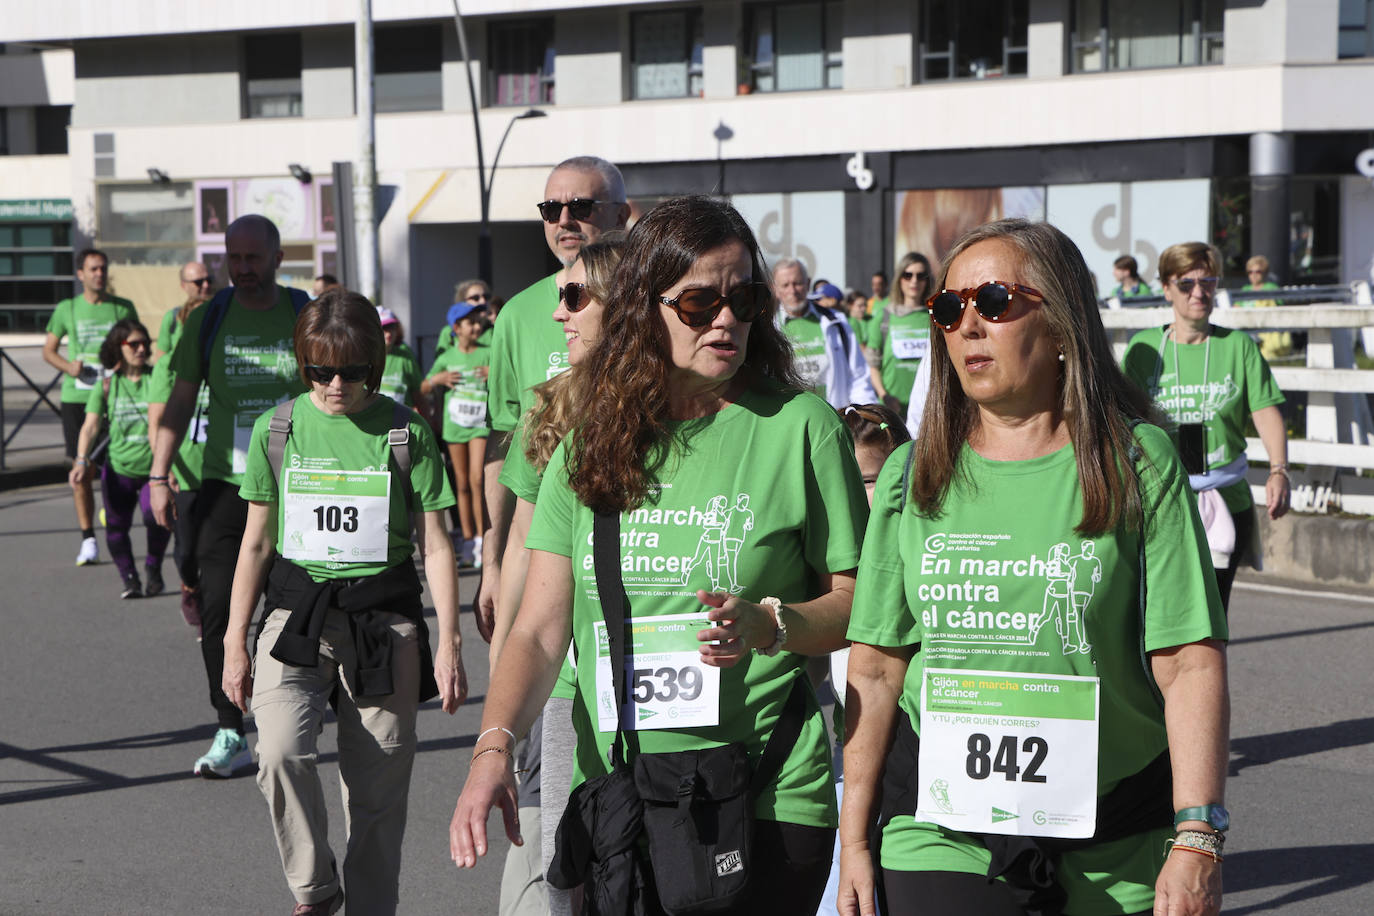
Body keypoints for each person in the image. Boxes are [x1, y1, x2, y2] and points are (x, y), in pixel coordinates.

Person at [449, 195, 870, 915]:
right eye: (700, 302)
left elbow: (858, 607)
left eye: (744, 298)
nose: (727, 319)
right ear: (645, 308)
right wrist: (493, 748)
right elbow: (540, 628)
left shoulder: (801, 429)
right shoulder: (589, 444)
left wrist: (772, 625)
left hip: (766, 793)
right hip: (623, 796)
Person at [840, 219, 1229, 916]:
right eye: (948, 308)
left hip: (1112, 834)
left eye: (992, 301)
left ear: (1059, 322)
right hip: (940, 831)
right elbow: (874, 666)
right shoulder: (910, 471)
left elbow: (1188, 662)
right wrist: (855, 840)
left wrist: (1197, 834)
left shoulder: (1138, 462)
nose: (967, 326)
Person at [223, 289, 467, 916]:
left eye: (352, 370)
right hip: (296, 611)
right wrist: (233, 641)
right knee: (277, 752)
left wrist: (448, 641)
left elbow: (436, 545)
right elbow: (254, 544)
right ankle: (317, 888)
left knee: (378, 795)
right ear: (303, 365)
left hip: (383, 619)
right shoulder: (278, 429)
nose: (335, 384)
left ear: (375, 365)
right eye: (320, 371)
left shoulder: (405, 430)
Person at [489, 233, 626, 916]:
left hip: (658, 693)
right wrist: (502, 651)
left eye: (573, 296)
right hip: (565, 674)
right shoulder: (549, 409)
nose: (557, 311)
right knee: (555, 854)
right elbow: (521, 539)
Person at [151, 214, 310, 779]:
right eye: (232, 258)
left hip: (296, 489)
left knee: (293, 610)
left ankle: (287, 714)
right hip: (224, 488)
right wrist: (158, 473)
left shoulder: (301, 312)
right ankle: (228, 728)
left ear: (276, 257)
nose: (241, 269)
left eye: (252, 258)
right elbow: (180, 397)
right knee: (220, 612)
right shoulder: (212, 316)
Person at [480, 155, 631, 634]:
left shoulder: (654, 303)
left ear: (621, 214)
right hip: (544, 550)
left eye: (581, 206)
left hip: (637, 548)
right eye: (551, 209)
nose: (564, 220)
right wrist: (494, 561)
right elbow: (505, 443)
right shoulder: (518, 314)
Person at [1122, 241, 1290, 611]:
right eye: (1186, 284)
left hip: (1224, 498)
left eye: (1208, 283)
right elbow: (1125, 419)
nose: (1199, 293)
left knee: (1212, 614)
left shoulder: (1238, 347)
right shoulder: (1144, 348)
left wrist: (1279, 470)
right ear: (1166, 289)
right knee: (1158, 612)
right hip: (1161, 499)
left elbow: (1265, 409)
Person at [816, 403, 910, 916]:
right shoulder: (825, 577)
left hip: (911, 801)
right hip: (842, 802)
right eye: (843, 482)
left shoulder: (929, 569)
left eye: (870, 480)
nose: (855, 497)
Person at [42, 248, 139, 566]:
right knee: (81, 470)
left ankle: (109, 509)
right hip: (77, 399)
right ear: (80, 274)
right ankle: (88, 539)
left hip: (113, 397)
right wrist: (68, 367)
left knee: (115, 468)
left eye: (103, 268)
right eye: (93, 269)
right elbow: (49, 351)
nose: (99, 274)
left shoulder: (122, 307)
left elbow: (135, 346)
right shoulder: (67, 308)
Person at [68, 319, 170, 600]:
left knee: (156, 517)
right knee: (116, 527)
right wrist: (80, 460)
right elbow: (89, 426)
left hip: (153, 469)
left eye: (144, 343)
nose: (140, 349)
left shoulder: (157, 378)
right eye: (133, 344)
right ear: (118, 347)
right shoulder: (107, 385)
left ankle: (153, 567)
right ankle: (130, 578)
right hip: (119, 468)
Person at [148, 261, 214, 627]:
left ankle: (219, 613)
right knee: (187, 549)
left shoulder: (222, 363)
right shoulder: (167, 368)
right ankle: (189, 585)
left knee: (224, 548)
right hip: (183, 470)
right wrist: (164, 470)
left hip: (220, 469)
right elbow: (157, 422)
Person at [422, 302, 490, 567]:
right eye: (469, 323)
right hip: (455, 426)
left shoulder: (488, 353)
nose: (476, 326)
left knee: (477, 480)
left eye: (477, 321)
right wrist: (438, 380)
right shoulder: (447, 357)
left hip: (480, 425)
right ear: (456, 329)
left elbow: (508, 377)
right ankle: (467, 538)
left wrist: (492, 373)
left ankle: (484, 539)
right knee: (461, 484)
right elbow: (424, 386)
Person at [772, 260, 877, 408]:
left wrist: (862, 415)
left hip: (835, 416)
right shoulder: (769, 329)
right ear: (775, 289)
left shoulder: (836, 321)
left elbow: (858, 375)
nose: (793, 291)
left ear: (808, 284)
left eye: (798, 283)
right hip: (792, 420)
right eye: (785, 285)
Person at [867, 252, 934, 416]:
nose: (914, 281)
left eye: (921, 275)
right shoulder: (884, 317)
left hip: (928, 409)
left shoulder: (935, 317)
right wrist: (884, 395)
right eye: (908, 275)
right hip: (893, 410)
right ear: (899, 279)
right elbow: (872, 366)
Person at [153, 262, 214, 362]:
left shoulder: (222, 313)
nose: (206, 285)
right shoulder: (172, 317)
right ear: (183, 285)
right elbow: (160, 359)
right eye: (198, 282)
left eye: (209, 280)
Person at [1240, 254, 1292, 359]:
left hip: (1266, 333)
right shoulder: (1245, 289)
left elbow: (1280, 310)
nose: (1253, 275)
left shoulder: (1272, 288)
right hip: (1247, 330)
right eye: (1250, 272)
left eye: (1258, 271)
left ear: (1265, 273)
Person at [375, 307, 424, 409]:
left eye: (392, 326)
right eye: (384, 328)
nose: (388, 333)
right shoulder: (363, 358)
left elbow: (418, 394)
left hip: (400, 421)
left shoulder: (406, 356)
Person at [434, 279, 492, 359]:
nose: (483, 301)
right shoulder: (448, 332)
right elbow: (441, 363)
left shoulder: (494, 330)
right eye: (476, 298)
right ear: (462, 301)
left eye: (486, 297)